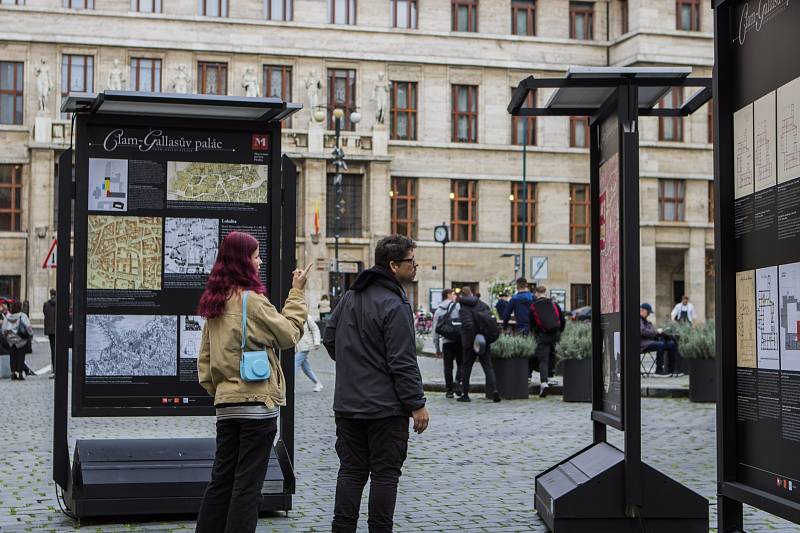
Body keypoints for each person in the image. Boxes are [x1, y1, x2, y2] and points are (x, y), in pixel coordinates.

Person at [195, 231, 309, 533]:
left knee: (221, 481)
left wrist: (222, 391)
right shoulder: (253, 301)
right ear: (243, 261)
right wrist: (296, 294)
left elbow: (204, 362)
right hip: (257, 407)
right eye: (256, 256)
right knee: (247, 486)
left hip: (226, 407)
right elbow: (289, 335)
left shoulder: (215, 302)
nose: (259, 262)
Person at [323, 234, 429, 533]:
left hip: (348, 405)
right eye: (411, 261)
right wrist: (417, 404)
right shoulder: (395, 304)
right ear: (394, 265)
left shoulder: (350, 297)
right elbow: (403, 361)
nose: (416, 266)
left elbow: (331, 340)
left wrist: (355, 367)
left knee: (351, 472)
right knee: (385, 474)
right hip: (385, 409)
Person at [458, 287, 500, 403]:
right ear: (471, 293)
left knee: (466, 368)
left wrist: (471, 342)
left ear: (462, 295)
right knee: (488, 367)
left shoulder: (463, 308)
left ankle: (465, 394)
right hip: (484, 340)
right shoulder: (482, 304)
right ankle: (494, 390)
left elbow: (468, 325)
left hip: (471, 342)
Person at [529, 286, 566, 397]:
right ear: (545, 293)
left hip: (542, 335)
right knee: (552, 355)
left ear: (536, 293)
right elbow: (562, 319)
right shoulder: (553, 304)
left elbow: (532, 323)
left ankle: (544, 383)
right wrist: (560, 331)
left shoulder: (533, 306)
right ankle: (550, 377)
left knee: (543, 359)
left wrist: (535, 333)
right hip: (555, 334)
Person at [432, 288, 462, 398]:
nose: (455, 296)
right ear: (448, 295)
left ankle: (449, 390)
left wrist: (437, 348)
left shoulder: (438, 310)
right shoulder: (458, 307)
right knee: (461, 364)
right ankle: (458, 381)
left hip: (446, 342)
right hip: (459, 340)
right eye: (453, 294)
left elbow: (435, 330)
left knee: (448, 367)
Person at [640, 303, 679, 377]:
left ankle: (671, 370)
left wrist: (661, 333)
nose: (648, 314)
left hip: (649, 342)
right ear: (643, 311)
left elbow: (652, 331)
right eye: (648, 312)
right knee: (660, 345)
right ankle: (659, 371)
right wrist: (656, 331)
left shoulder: (647, 322)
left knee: (671, 344)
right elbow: (642, 331)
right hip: (642, 343)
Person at [2, 300, 33, 381]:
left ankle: (13, 373)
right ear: (20, 307)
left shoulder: (7, 317)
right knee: (21, 357)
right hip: (21, 340)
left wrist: (8, 336)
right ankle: (19, 373)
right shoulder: (23, 316)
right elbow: (28, 327)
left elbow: (3, 329)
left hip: (11, 340)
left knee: (12, 357)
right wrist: (30, 334)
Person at [295, 318, 323, 392]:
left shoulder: (307, 317)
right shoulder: (291, 314)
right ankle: (318, 383)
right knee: (306, 369)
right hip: (296, 347)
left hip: (305, 346)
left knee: (293, 366)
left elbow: (315, 329)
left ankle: (287, 387)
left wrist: (317, 342)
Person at [43, 289, 57, 377]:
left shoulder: (46, 304)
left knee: (53, 349)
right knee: (59, 349)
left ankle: (54, 368)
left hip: (50, 330)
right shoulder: (60, 303)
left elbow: (44, 313)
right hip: (58, 330)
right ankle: (58, 368)